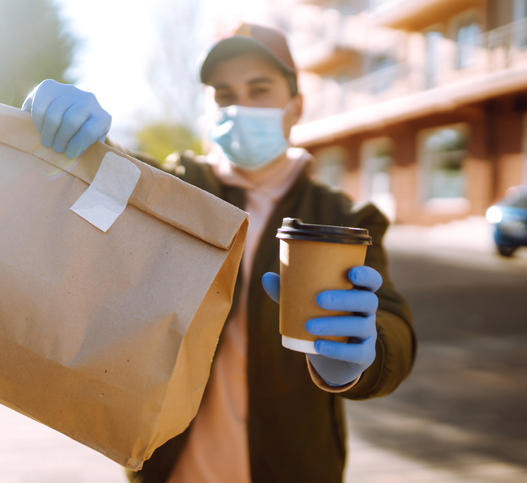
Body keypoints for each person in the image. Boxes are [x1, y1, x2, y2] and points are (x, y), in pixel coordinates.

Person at [23, 23, 416, 483]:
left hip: (293, 467)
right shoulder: (168, 193)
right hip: (170, 466)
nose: (240, 106)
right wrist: (61, 136)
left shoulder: (344, 217)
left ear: (296, 107)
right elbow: (89, 196)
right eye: (224, 94)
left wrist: (363, 354)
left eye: (259, 88)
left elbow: (391, 322)